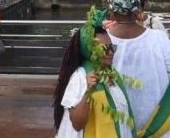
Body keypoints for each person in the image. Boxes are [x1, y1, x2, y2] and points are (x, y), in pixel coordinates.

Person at [53, 7, 136, 137]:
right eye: (103, 49)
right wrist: (88, 91)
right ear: (90, 50)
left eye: (112, 47)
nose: (110, 52)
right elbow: (77, 124)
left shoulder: (112, 75)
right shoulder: (80, 77)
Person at [106, 0, 170, 136]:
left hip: (118, 124)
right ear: (138, 10)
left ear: (111, 12)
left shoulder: (102, 40)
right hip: (157, 125)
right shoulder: (159, 38)